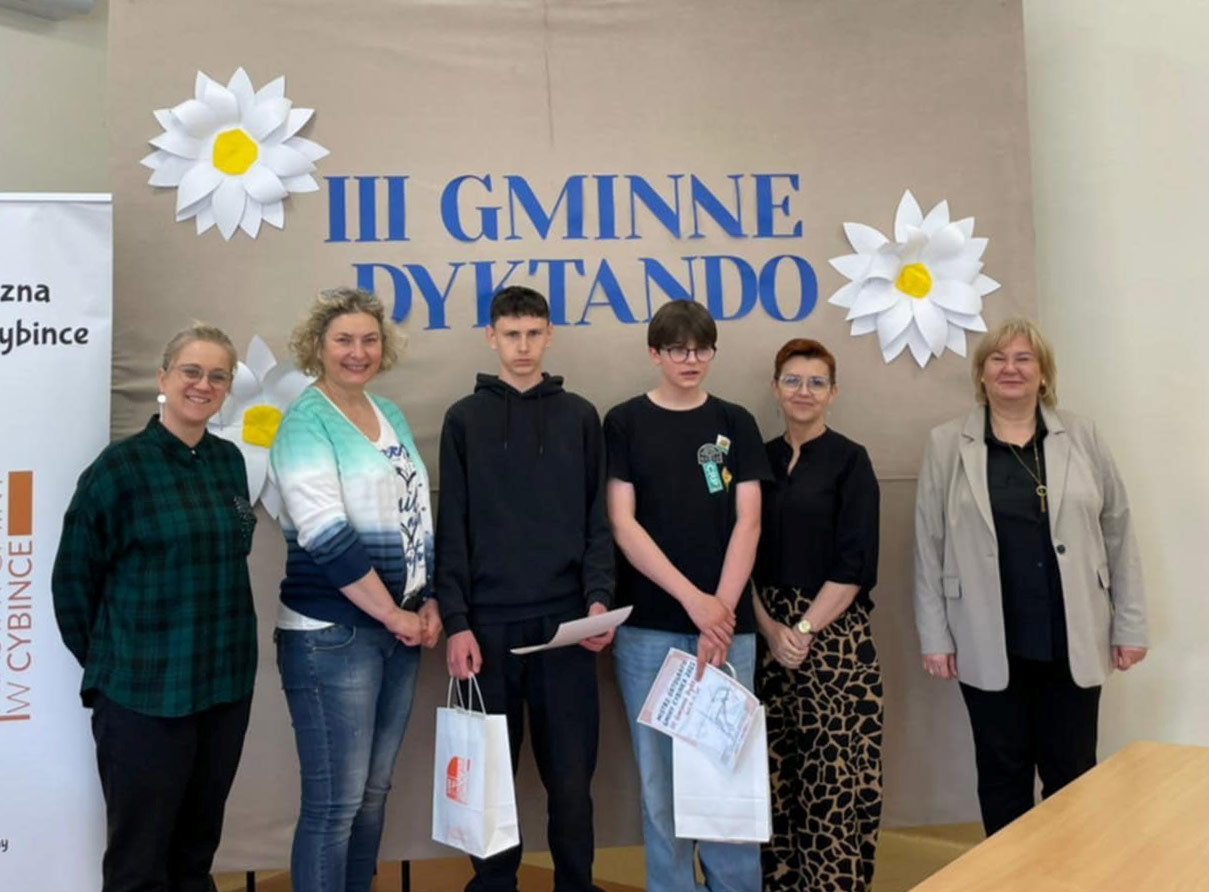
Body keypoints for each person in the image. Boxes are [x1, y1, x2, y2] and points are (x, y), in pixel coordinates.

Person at [913, 317, 1148, 835]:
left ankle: (1071, 871)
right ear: (981, 374)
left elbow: (1118, 531)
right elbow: (929, 546)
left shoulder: (1082, 436)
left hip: (1072, 636)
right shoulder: (947, 443)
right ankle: (1009, 873)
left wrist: (1130, 625)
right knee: (1003, 775)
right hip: (986, 637)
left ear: (1044, 373)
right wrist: (935, 635)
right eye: (997, 359)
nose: (1011, 368)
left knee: (1073, 774)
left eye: (1024, 358)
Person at [52, 323, 257, 892]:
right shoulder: (118, 469)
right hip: (143, 697)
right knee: (139, 862)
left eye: (217, 376)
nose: (203, 384)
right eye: (191, 371)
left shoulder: (228, 462)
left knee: (195, 853)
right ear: (163, 378)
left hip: (222, 687)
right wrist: (116, 665)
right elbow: (72, 582)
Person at [437, 285, 614, 892]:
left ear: (549, 334)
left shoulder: (580, 416)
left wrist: (597, 600)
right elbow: (452, 526)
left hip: (566, 627)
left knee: (572, 782)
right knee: (489, 781)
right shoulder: (464, 419)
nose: (522, 346)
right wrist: (456, 621)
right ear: (491, 337)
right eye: (511, 334)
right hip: (487, 629)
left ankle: (576, 884)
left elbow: (596, 521)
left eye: (533, 333)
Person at [270, 287, 442, 892]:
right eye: (343, 339)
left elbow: (415, 513)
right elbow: (325, 533)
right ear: (317, 346)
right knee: (334, 805)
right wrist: (394, 614)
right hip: (331, 636)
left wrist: (427, 598)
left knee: (372, 795)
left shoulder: (387, 412)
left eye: (369, 339)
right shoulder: (305, 422)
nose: (357, 351)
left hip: (397, 631)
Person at [604, 299, 771, 892]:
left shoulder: (735, 421)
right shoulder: (625, 421)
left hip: (729, 634)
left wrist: (719, 611)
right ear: (655, 353)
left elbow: (749, 520)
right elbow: (623, 523)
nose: (690, 359)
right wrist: (693, 602)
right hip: (649, 630)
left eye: (701, 349)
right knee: (660, 789)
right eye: (677, 349)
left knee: (728, 783)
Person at [752, 338, 882, 892]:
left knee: (832, 779)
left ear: (833, 392)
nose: (803, 392)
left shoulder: (851, 460)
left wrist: (802, 630)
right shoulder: (756, 459)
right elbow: (739, 554)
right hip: (765, 639)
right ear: (775, 387)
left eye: (815, 382)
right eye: (792, 380)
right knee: (772, 778)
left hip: (833, 639)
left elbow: (855, 563)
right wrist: (770, 629)